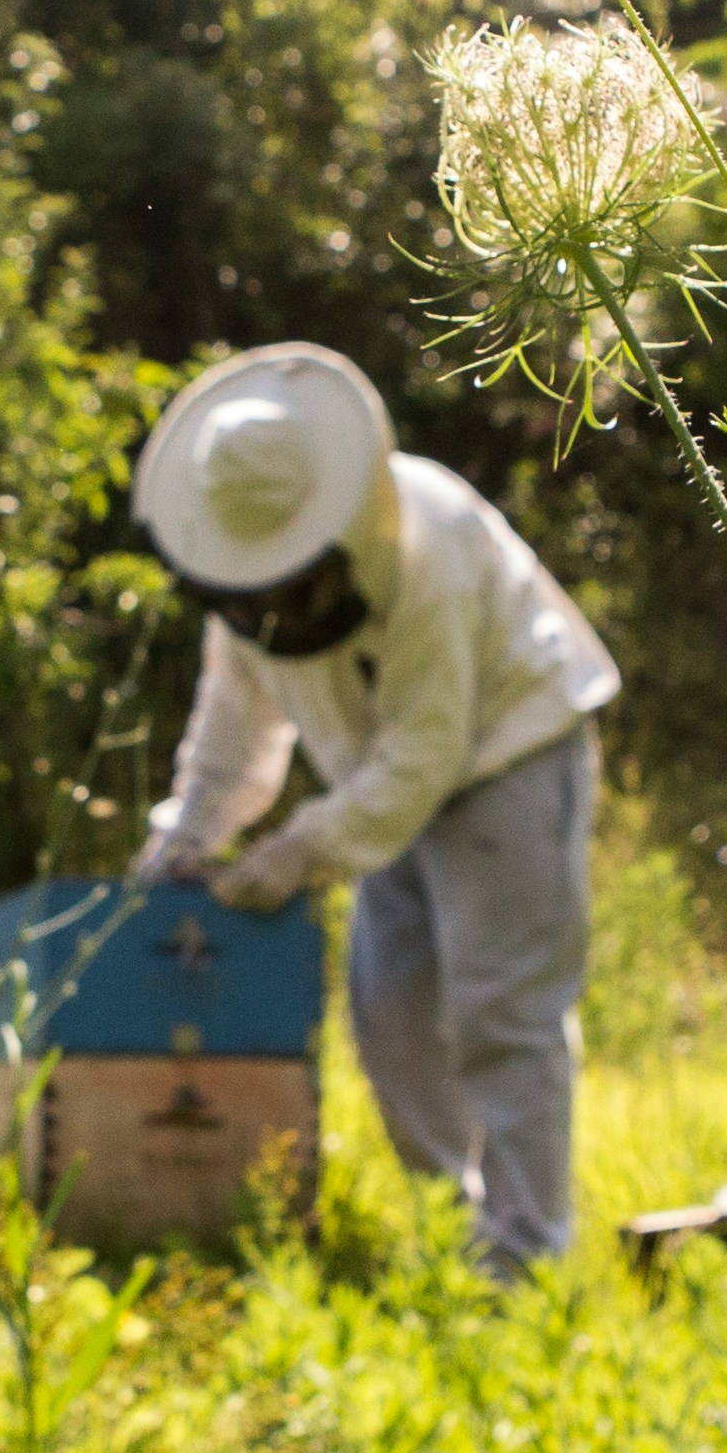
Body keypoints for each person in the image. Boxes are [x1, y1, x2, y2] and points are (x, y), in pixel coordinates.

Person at [125, 343, 617, 1274]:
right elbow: (232, 739)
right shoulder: (240, 576)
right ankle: (452, 1224)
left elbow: (428, 746)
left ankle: (524, 1262)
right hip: (378, 790)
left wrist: (301, 852)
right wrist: (181, 845)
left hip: (508, 753)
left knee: (500, 1014)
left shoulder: (431, 541)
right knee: (389, 1013)